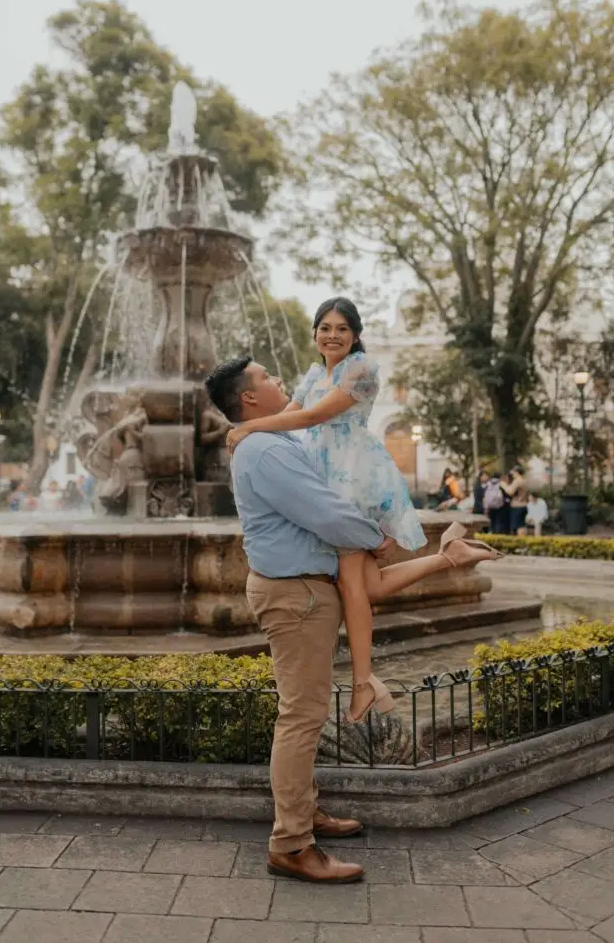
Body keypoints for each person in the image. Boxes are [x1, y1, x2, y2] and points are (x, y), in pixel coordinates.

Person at [205, 354, 499, 885]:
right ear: (248, 398)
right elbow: (324, 511)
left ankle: (304, 812)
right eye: (267, 378)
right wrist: (375, 538)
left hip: (303, 592)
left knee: (306, 712)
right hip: (295, 596)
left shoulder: (269, 439)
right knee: (300, 715)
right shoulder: (265, 450)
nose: (277, 379)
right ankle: (292, 843)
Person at [222, 296, 500, 725]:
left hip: (351, 473)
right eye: (325, 328)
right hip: (322, 473)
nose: (332, 335)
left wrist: (248, 426)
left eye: (342, 329)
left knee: (353, 582)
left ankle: (363, 682)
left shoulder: (362, 370)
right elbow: (292, 413)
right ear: (315, 333)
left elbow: (311, 417)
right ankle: (449, 556)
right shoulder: (316, 372)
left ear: (355, 335)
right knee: (365, 585)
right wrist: (254, 429)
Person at [502, 464, 529, 536]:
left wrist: (503, 485)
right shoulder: (524, 481)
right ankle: (523, 543)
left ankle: (521, 543)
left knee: (519, 526)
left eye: (513, 472)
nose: (512, 474)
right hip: (524, 505)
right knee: (522, 524)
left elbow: (510, 492)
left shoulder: (517, 481)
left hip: (517, 506)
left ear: (517, 472)